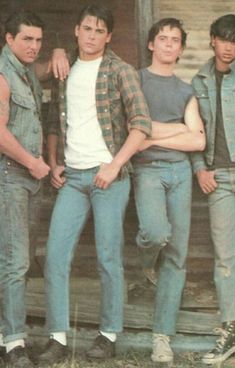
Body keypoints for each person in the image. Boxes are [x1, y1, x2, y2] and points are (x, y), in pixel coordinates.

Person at [37, 3, 152, 366]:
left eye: (99, 30)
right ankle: (56, 336)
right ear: (76, 30)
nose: (91, 35)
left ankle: (108, 334)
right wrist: (55, 162)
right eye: (86, 28)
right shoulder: (64, 68)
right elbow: (55, 121)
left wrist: (115, 165)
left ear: (109, 36)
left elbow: (141, 125)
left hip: (109, 178)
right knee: (55, 255)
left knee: (107, 256)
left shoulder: (121, 71)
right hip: (72, 178)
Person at [132, 18, 205, 363]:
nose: (168, 45)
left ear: (180, 48)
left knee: (176, 255)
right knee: (156, 232)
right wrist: (177, 130)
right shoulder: (136, 80)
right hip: (147, 169)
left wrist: (153, 132)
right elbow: (132, 131)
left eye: (175, 40)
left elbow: (199, 139)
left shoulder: (185, 90)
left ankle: (162, 337)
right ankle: (147, 263)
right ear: (151, 44)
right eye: (162, 38)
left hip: (179, 172)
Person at [0, 10, 51, 368]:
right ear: (8, 39)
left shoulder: (26, 71)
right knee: (15, 262)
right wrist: (32, 163)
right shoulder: (2, 75)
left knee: (19, 259)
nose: (33, 46)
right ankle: (14, 342)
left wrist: (60, 53)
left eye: (38, 40)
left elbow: (46, 67)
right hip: (12, 176)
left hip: (30, 181)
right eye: (26, 39)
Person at [191, 14, 235, 365]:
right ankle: (230, 331)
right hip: (218, 179)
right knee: (225, 259)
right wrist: (199, 169)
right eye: (224, 40)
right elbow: (193, 132)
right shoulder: (199, 80)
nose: (230, 47)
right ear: (212, 40)